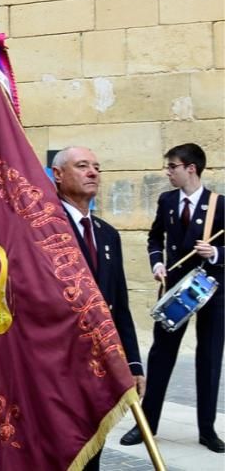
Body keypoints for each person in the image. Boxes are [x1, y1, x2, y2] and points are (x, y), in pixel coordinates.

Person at [121, 143, 224, 453]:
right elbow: (155, 236)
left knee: (209, 358)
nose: (168, 172)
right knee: (161, 355)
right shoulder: (166, 200)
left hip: (212, 290)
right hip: (174, 290)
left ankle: (207, 430)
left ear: (190, 168)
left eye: (173, 167)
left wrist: (216, 252)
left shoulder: (219, 204)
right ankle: (147, 425)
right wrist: (157, 262)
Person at [49, 146, 144, 469]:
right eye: (83, 166)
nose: (93, 173)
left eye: (97, 167)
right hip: (57, 366)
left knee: (93, 450)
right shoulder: (43, 231)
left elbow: (120, 306)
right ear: (57, 175)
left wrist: (132, 362)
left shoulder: (107, 234)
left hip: (98, 366)